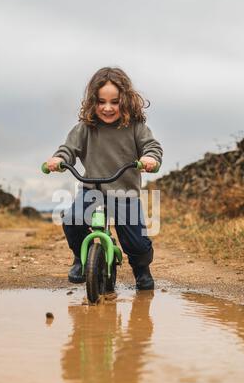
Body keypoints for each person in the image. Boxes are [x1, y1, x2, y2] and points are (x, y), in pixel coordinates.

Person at [47, 67, 163, 289]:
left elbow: (152, 146)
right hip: (92, 191)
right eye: (101, 102)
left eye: (115, 102)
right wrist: (58, 159)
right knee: (73, 220)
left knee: (136, 242)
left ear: (126, 100)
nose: (107, 108)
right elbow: (68, 149)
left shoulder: (136, 127)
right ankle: (81, 259)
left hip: (125, 194)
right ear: (93, 102)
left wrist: (149, 157)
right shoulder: (85, 128)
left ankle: (141, 270)